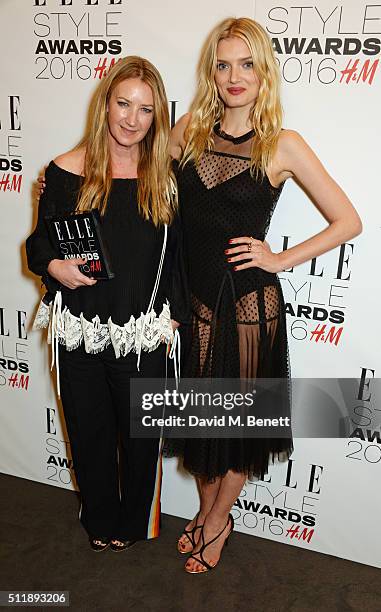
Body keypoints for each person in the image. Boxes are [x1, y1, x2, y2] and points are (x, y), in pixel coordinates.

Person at [167, 17, 362, 573]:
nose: (235, 76)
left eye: (247, 64)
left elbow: (348, 221)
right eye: (224, 64)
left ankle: (217, 523)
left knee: (238, 430)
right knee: (200, 427)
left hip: (251, 309)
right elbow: (138, 175)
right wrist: (66, 182)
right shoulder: (188, 134)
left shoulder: (284, 145)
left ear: (264, 72)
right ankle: (209, 516)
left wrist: (279, 258)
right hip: (195, 307)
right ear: (212, 72)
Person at [26, 56, 188, 552]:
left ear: (157, 116)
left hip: (144, 333)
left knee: (142, 439)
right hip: (81, 330)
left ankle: (135, 521)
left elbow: (180, 253)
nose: (131, 119)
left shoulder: (167, 175)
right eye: (123, 103)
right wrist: (53, 268)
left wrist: (175, 314)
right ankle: (100, 521)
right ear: (106, 104)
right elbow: (38, 244)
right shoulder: (64, 170)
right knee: (90, 432)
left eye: (145, 109)